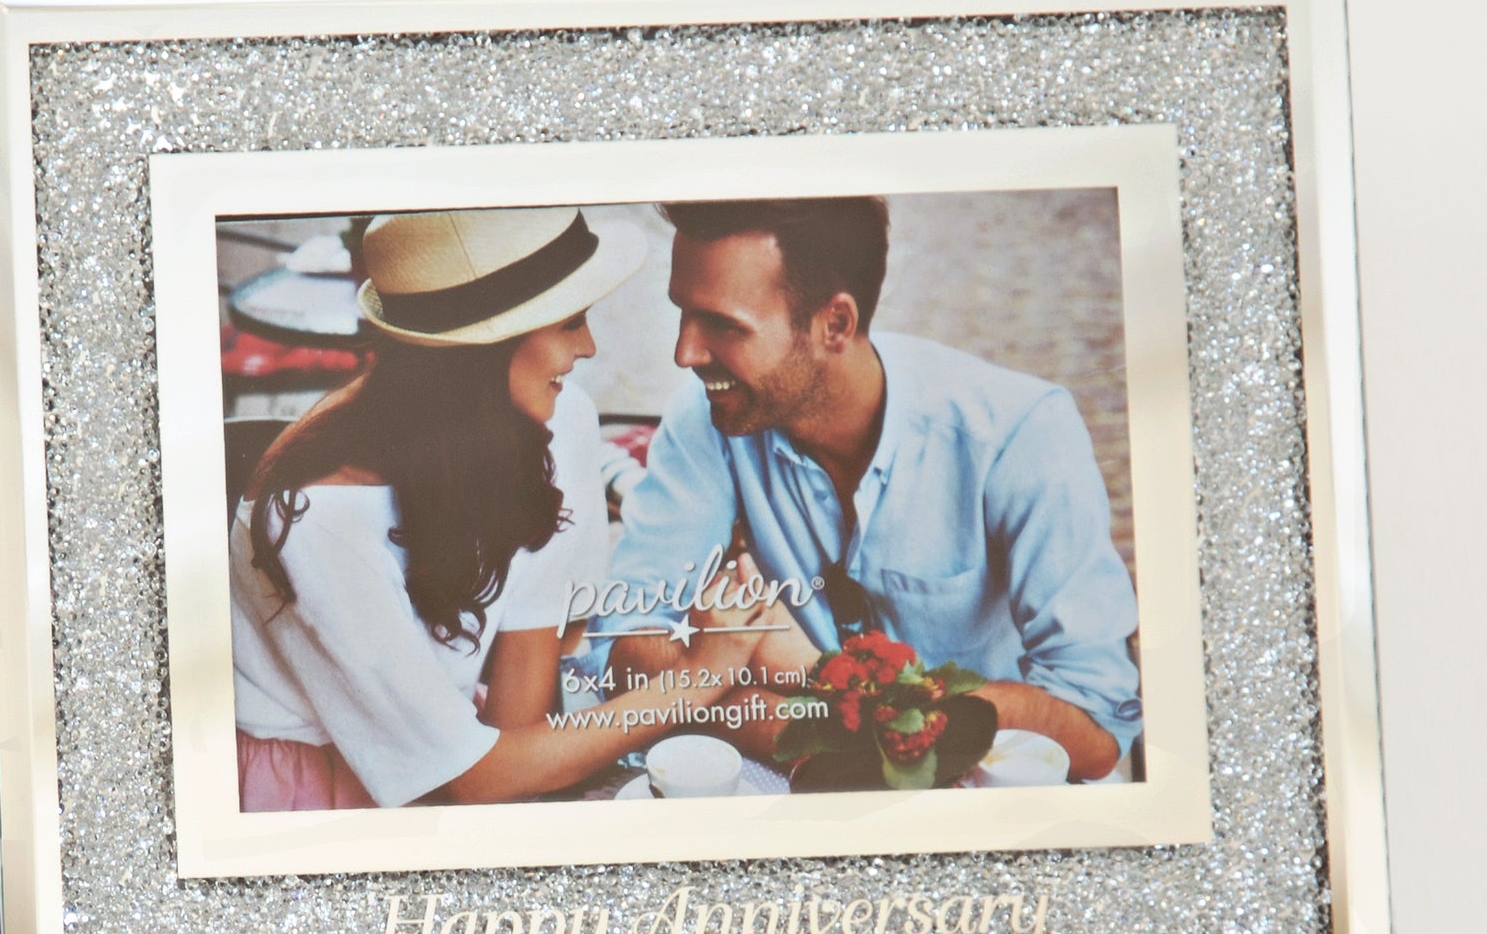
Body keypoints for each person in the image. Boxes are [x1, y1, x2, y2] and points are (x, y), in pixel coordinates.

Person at [230, 206, 770, 810]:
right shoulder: (314, 520)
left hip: (469, 758)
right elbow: (475, 779)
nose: (588, 346)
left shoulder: (556, 421)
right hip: (315, 798)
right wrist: (696, 677)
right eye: (570, 322)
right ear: (482, 353)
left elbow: (515, 728)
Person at [606, 198, 1141, 780]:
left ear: (835, 324)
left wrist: (801, 687)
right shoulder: (709, 415)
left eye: (725, 326)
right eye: (684, 314)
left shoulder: (1018, 434)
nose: (685, 353)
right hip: (811, 775)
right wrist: (815, 730)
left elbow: (1095, 730)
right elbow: (621, 653)